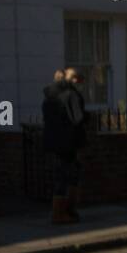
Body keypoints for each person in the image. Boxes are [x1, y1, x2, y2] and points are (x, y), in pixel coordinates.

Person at [42, 67, 87, 224]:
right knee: (70, 175)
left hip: (53, 141)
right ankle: (63, 212)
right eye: (79, 80)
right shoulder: (71, 94)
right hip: (69, 142)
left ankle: (61, 211)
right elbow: (78, 118)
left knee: (62, 174)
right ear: (73, 80)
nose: (80, 83)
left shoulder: (49, 96)